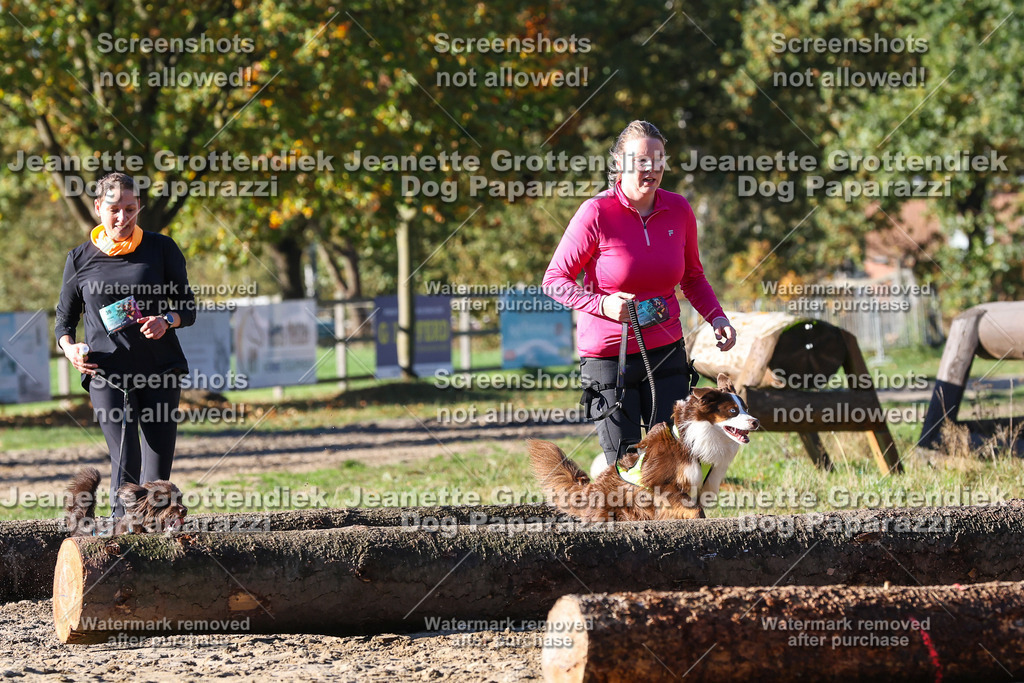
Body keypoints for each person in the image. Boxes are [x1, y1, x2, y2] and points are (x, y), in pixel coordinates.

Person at [543, 120, 736, 466]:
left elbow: (692, 277)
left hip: (665, 351)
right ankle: (620, 516)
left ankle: (680, 521)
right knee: (627, 464)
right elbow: (555, 280)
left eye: (658, 159)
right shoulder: (596, 213)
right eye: (641, 161)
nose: (651, 169)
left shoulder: (678, 209)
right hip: (609, 359)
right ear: (619, 163)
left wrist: (716, 316)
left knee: (673, 458)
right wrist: (601, 303)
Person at [55, 172, 196, 518]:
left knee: (157, 472)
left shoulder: (161, 249)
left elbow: (187, 308)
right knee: (126, 457)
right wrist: (69, 347)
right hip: (107, 373)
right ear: (97, 208)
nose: (123, 218)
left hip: (159, 369)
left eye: (131, 209)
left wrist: (167, 320)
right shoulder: (79, 258)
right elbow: (64, 320)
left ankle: (153, 541)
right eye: (115, 209)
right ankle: (121, 534)